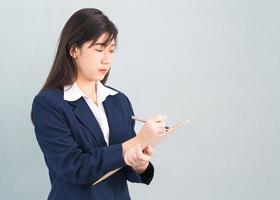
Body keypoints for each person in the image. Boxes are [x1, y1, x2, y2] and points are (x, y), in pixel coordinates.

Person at [31, 8, 167, 200]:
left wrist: (139, 164)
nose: (107, 59)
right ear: (74, 50)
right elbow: (75, 168)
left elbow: (123, 167)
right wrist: (138, 141)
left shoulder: (118, 100)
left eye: (111, 50)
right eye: (99, 49)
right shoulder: (49, 104)